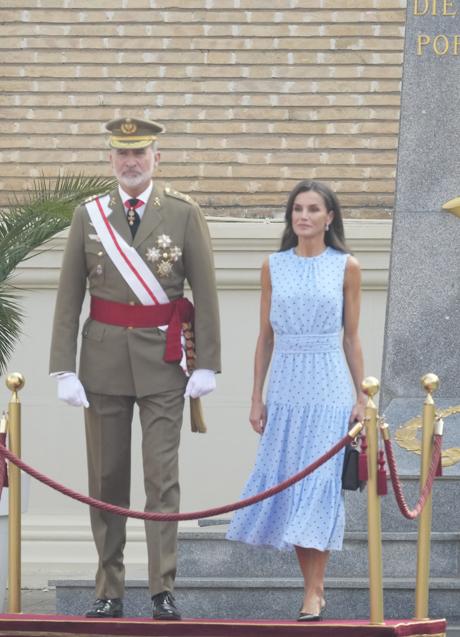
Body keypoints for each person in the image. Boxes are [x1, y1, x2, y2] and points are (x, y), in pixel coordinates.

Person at [49, 116, 220, 621]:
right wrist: (64, 368)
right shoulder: (89, 215)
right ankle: (109, 588)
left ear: (155, 159)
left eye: (139, 154)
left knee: (161, 478)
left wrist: (207, 362)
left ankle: (162, 587)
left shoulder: (184, 213)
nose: (130, 162)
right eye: (121, 154)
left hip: (165, 364)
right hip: (100, 362)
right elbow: (68, 295)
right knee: (106, 477)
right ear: (110, 159)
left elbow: (205, 293)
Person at [226, 179, 365, 621]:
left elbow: (352, 337)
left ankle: (313, 590)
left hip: (327, 387)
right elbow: (264, 337)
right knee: (292, 486)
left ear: (329, 217)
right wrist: (255, 397)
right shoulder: (273, 265)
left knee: (318, 488)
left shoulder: (347, 266)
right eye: (297, 209)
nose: (303, 216)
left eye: (313, 209)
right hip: (285, 385)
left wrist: (362, 396)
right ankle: (313, 589)